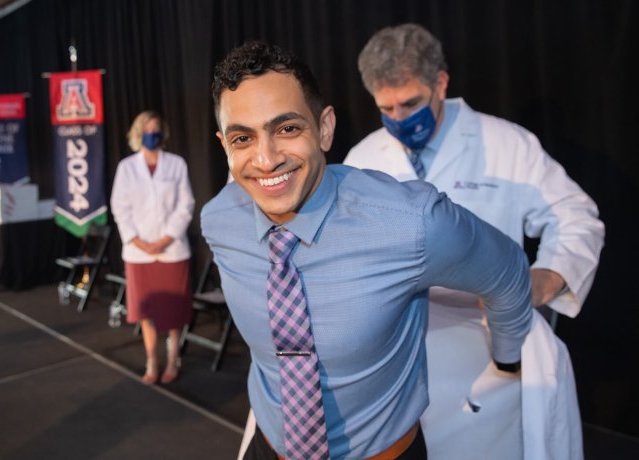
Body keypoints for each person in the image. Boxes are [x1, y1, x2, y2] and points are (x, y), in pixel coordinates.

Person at [203, 40, 533, 460]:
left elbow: (507, 272)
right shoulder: (219, 222)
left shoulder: (412, 223)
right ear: (224, 145)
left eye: (287, 129)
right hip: (268, 448)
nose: (266, 159)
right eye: (243, 137)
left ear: (324, 128)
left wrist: (506, 361)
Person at [343, 24, 605, 459]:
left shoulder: (508, 144)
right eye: (385, 108)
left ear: (440, 83)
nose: (399, 120)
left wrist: (543, 278)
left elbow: (577, 218)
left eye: (410, 104)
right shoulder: (366, 157)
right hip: (395, 354)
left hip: (491, 351)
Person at [110, 110, 195, 384]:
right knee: (145, 312)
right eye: (147, 129)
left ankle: (173, 358)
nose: (152, 134)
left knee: (172, 313)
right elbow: (119, 207)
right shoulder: (126, 167)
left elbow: (186, 204)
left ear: (163, 133)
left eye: (156, 128)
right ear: (137, 134)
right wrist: (137, 240)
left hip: (172, 251)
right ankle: (152, 360)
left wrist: (166, 238)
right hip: (138, 253)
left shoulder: (176, 164)